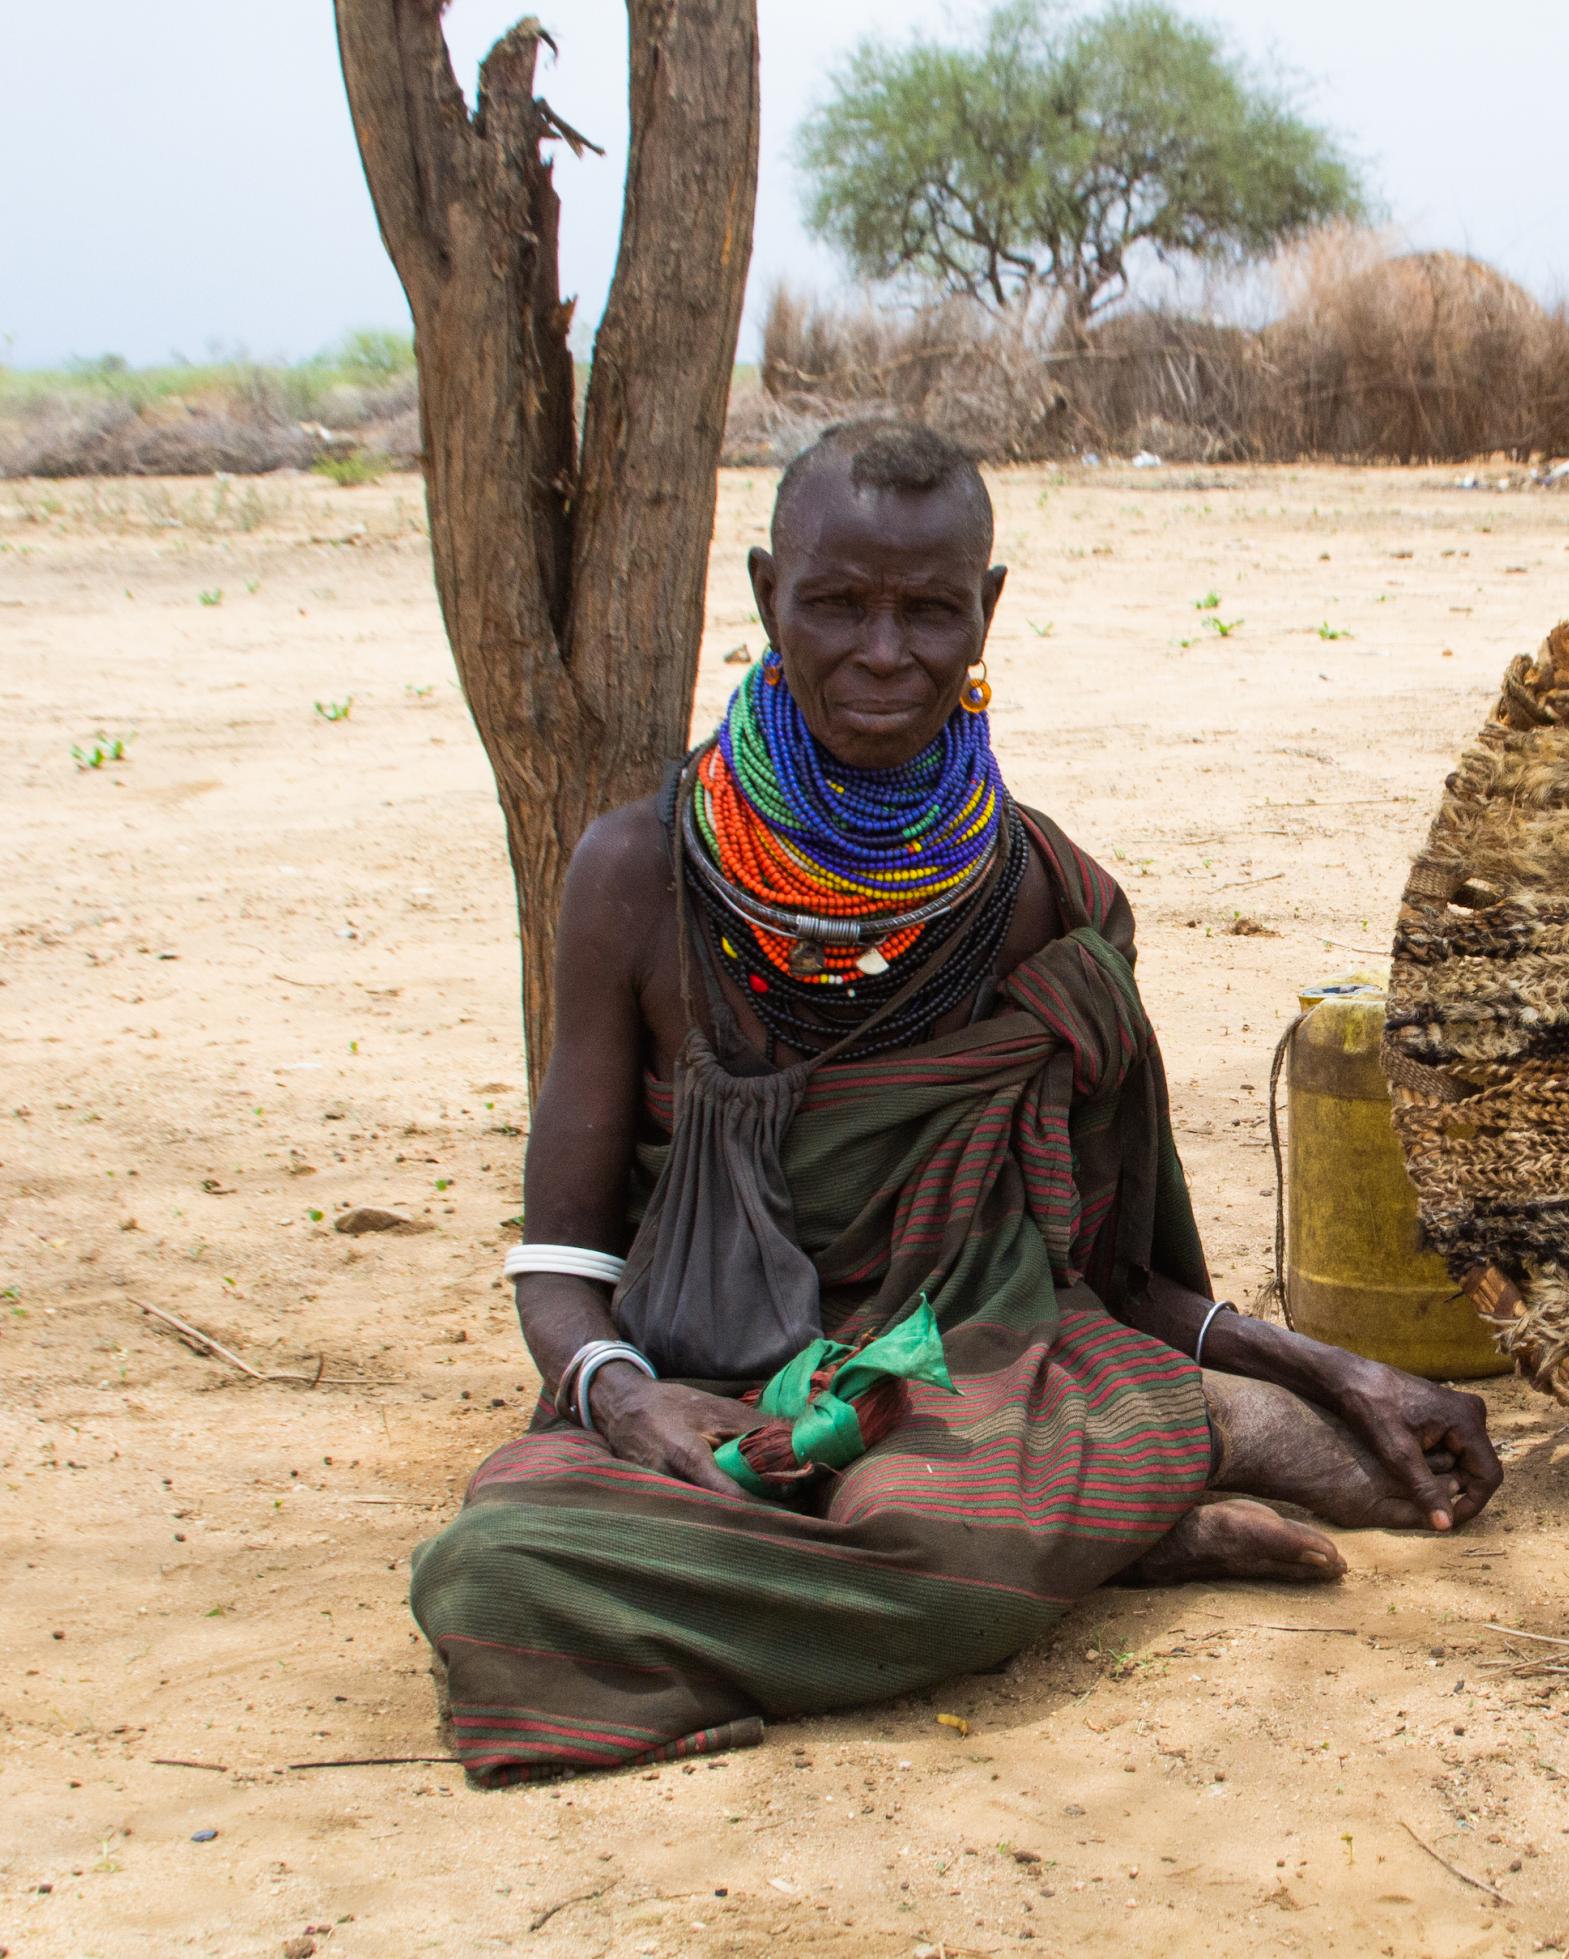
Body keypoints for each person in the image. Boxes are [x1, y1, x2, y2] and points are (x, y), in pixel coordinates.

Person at [408, 420, 1501, 1785]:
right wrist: (626, 1403)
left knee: (961, 1510)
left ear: (986, 610)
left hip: (974, 1384)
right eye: (836, 604)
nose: (883, 652)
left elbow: (1119, 1277)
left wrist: (1343, 1369)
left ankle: (1053, 1534)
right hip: (710, 1383)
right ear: (765, 596)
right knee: (491, 1571)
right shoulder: (638, 874)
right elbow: (564, 1265)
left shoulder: (1046, 897)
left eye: (929, 611)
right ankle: (1115, 1534)